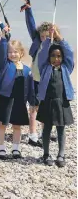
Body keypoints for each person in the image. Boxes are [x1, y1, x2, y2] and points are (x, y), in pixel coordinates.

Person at [37, 26, 74, 167]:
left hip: (62, 103)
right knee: (46, 129)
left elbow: (69, 52)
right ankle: (46, 154)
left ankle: (61, 154)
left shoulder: (66, 68)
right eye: (53, 56)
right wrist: (48, 40)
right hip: (47, 102)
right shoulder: (45, 67)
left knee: (61, 129)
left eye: (59, 56)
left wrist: (59, 37)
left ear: (62, 58)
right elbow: (41, 55)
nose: (56, 59)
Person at [0, 35, 35, 160]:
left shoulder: (27, 69)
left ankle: (16, 148)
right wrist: (5, 36)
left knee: (17, 126)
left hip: (20, 101)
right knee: (2, 124)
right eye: (10, 52)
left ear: (21, 53)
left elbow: (30, 88)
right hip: (6, 99)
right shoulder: (5, 65)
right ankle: (0, 147)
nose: (13, 54)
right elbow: (0, 50)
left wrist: (32, 102)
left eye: (15, 52)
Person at [24, 2, 55, 147]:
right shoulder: (37, 41)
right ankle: (32, 135)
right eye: (42, 36)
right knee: (33, 107)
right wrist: (28, 10)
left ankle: (45, 134)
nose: (43, 38)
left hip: (46, 82)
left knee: (45, 108)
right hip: (34, 79)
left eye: (46, 36)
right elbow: (31, 26)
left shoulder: (53, 47)